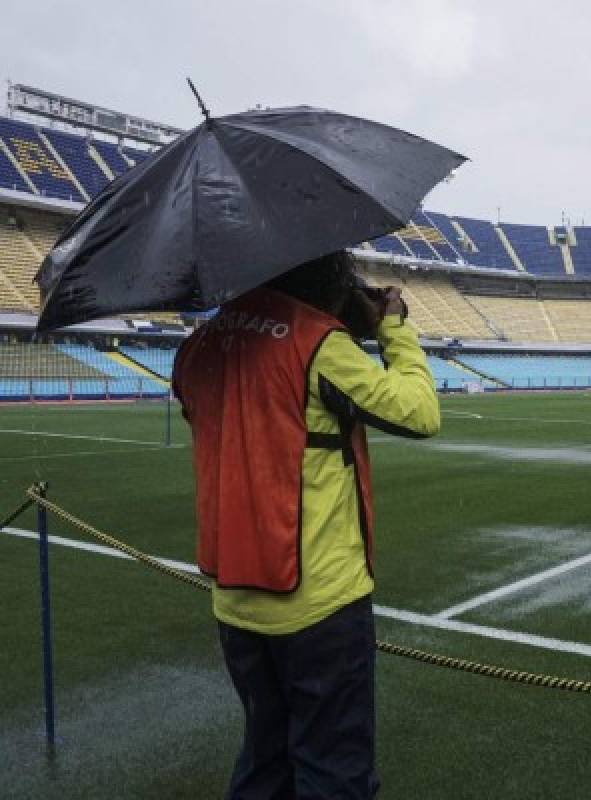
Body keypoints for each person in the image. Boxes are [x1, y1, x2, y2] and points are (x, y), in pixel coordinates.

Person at [172, 250, 440, 799]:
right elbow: (419, 412)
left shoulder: (202, 342)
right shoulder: (318, 342)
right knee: (333, 771)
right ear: (328, 280)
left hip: (236, 601)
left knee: (265, 760)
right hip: (317, 603)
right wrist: (392, 329)